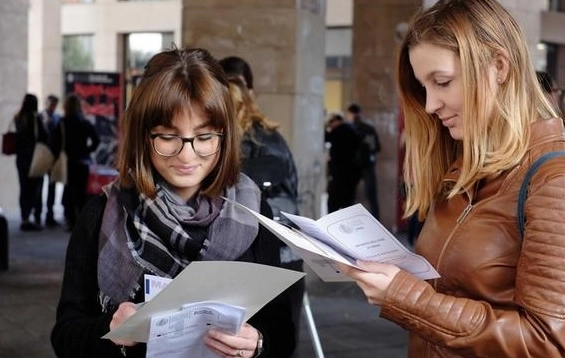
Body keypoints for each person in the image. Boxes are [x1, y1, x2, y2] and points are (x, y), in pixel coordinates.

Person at [338, 0, 565, 356]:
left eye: (442, 82)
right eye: (424, 88)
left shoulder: (559, 185)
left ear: (498, 66)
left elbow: (542, 343)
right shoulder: (467, 171)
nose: (432, 104)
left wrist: (406, 296)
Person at [51, 47, 296, 358]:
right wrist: (109, 330)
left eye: (204, 136)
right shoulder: (101, 213)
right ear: (143, 136)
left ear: (225, 137)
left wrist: (258, 343)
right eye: (168, 136)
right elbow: (65, 335)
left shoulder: (253, 212)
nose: (186, 155)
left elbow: (283, 333)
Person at [227, 77, 306, 357]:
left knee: (277, 333)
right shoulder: (260, 136)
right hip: (280, 246)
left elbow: (257, 187)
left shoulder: (261, 139)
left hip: (280, 247)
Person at [58, 93, 101, 232]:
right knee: (83, 193)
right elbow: (96, 140)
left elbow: (55, 143)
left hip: (68, 162)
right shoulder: (84, 122)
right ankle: (82, 222)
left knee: (70, 192)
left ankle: (71, 221)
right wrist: (87, 150)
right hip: (83, 162)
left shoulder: (62, 123)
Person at [14, 93, 46, 231]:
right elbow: (44, 136)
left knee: (24, 188)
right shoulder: (35, 118)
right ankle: (35, 217)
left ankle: (24, 217)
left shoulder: (18, 117)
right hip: (34, 158)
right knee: (35, 189)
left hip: (21, 158)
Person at [346, 103, 381, 218]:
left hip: (355, 166)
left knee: (351, 197)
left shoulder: (348, 129)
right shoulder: (368, 129)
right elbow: (376, 147)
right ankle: (376, 221)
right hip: (365, 165)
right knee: (371, 196)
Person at [324, 112, 362, 213]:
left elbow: (325, 137)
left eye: (331, 122)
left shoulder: (338, 131)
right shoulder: (352, 130)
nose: (330, 125)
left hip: (340, 174)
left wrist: (324, 125)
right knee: (347, 205)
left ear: (337, 120)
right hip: (351, 175)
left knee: (332, 204)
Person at [40, 94, 62, 227]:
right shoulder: (39, 117)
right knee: (39, 186)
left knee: (51, 186)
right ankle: (37, 214)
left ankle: (50, 214)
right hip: (42, 155)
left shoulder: (58, 118)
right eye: (51, 103)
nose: (52, 106)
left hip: (53, 156)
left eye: (54, 104)